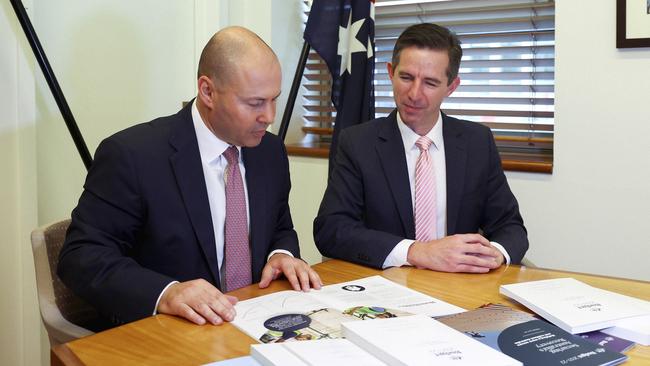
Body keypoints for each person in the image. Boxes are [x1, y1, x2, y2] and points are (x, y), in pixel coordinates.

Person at [58, 26, 321, 331]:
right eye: (254, 103)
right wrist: (167, 292)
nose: (269, 116)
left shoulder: (269, 151)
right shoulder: (133, 156)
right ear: (208, 91)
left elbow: (279, 226)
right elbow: (80, 257)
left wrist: (282, 254)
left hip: (252, 323)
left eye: (274, 99)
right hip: (169, 334)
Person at [314, 23, 528, 273]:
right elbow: (331, 229)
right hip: (388, 286)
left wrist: (494, 255)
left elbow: (510, 227)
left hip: (460, 285)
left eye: (430, 82)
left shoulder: (477, 142)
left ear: (451, 87)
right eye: (406, 77)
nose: (414, 94)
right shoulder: (358, 143)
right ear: (390, 72)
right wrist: (417, 252)